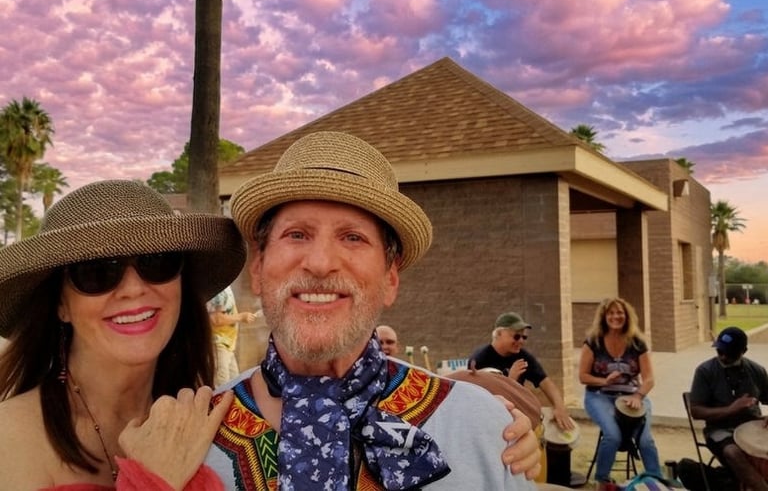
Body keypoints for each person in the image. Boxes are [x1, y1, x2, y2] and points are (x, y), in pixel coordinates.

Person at [205, 130, 541, 490]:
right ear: (257, 269)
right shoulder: (194, 439)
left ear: (390, 279)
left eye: (353, 237)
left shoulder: (484, 428)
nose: (320, 264)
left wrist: (489, 423)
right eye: (297, 234)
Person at [0, 180, 246, 489]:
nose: (133, 289)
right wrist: (152, 481)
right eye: (96, 272)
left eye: (157, 262)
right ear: (61, 304)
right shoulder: (8, 437)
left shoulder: (211, 424)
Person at [578, 297, 661, 490]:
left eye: (620, 313)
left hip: (632, 396)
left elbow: (649, 379)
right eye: (611, 313)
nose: (616, 316)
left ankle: (656, 482)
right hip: (599, 395)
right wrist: (604, 381)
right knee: (613, 435)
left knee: (645, 439)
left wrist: (638, 396)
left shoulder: (637, 342)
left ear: (627, 316)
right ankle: (603, 481)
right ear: (604, 317)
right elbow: (583, 376)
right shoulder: (593, 341)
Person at [689, 326, 768, 491]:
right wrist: (731, 409)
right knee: (733, 452)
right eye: (719, 351)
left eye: (729, 353)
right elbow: (696, 411)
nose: (723, 356)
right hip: (719, 429)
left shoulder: (757, 371)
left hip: (752, 426)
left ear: (743, 351)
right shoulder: (705, 371)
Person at [469, 311, 575, 432]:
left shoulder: (522, 356)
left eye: (524, 337)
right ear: (499, 333)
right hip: (491, 421)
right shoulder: (480, 359)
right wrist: (511, 380)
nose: (521, 341)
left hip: (517, 414)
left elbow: (546, 383)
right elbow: (484, 401)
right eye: (516, 336)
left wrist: (559, 407)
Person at [206, 285, 259, 386]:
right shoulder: (218, 289)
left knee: (235, 385)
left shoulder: (225, 288)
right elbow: (216, 319)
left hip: (227, 345)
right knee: (221, 387)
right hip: (219, 344)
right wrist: (241, 317)